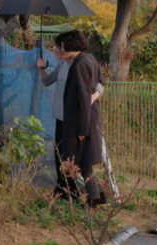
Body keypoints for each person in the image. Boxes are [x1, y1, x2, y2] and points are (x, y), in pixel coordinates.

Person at [44, 30, 107, 206]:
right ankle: (98, 197)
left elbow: (82, 97)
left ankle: (95, 199)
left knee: (80, 161)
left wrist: (82, 130)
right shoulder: (88, 59)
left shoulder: (79, 65)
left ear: (69, 46)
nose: (59, 48)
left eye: (61, 45)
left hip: (79, 121)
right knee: (80, 160)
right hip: (80, 119)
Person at [38, 33, 73, 199]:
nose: (55, 49)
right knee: (58, 152)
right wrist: (42, 69)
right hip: (60, 115)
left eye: (57, 47)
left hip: (73, 116)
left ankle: (72, 191)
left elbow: (99, 84)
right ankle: (61, 190)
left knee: (70, 155)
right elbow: (47, 81)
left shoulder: (80, 64)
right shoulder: (62, 64)